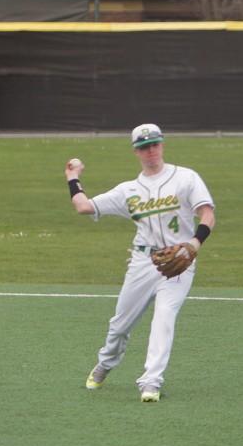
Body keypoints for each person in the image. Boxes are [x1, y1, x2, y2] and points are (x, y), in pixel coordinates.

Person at [64, 123, 216, 403]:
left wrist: (194, 244)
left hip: (180, 260)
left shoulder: (186, 178)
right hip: (142, 263)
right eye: (144, 147)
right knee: (120, 326)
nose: (151, 151)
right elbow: (84, 207)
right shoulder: (129, 190)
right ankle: (105, 364)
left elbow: (207, 214)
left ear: (163, 145)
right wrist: (73, 177)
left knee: (164, 318)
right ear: (136, 151)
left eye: (155, 144)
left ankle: (151, 382)